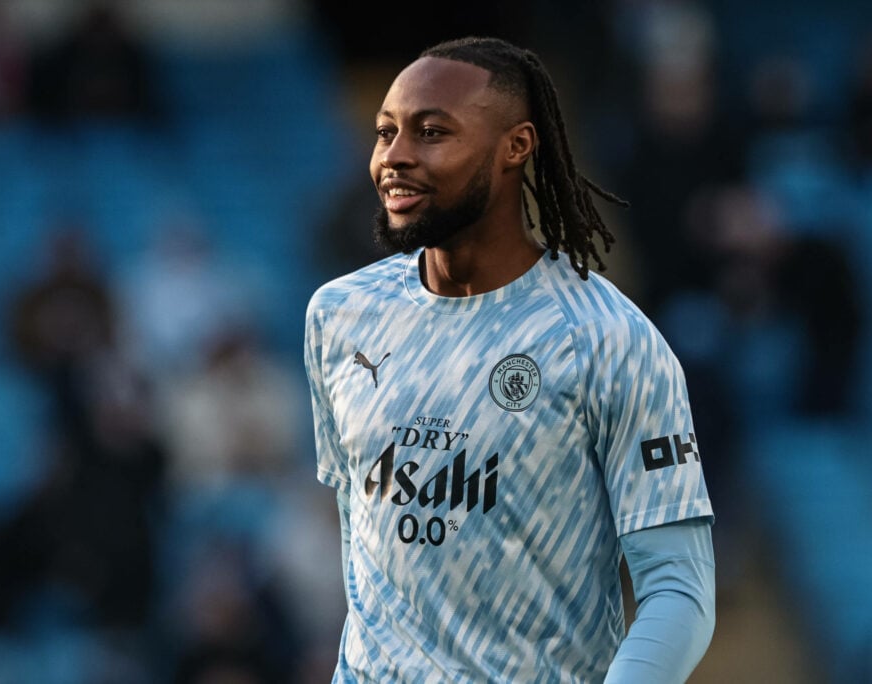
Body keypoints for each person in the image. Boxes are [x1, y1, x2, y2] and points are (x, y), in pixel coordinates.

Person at [304, 36, 715, 682]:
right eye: (386, 133)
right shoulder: (338, 316)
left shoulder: (607, 341)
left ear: (516, 147)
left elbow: (679, 590)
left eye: (431, 132)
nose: (395, 157)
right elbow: (365, 557)